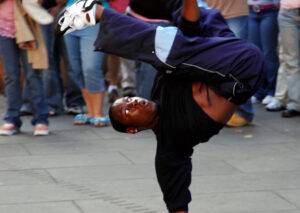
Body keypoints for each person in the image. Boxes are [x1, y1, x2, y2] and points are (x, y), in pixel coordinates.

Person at [55, 0, 265, 212]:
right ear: (132, 129)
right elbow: (175, 198)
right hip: (242, 70)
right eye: (127, 110)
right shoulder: (170, 143)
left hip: (223, 49)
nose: (133, 102)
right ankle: (96, 12)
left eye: (128, 100)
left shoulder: (160, 92)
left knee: (189, 29)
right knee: (169, 53)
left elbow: (187, 35)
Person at [0, 0, 50, 136]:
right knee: (11, 76)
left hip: (29, 28)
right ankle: (11, 119)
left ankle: (41, 119)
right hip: (4, 30)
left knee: (33, 75)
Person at [206, 0, 254, 127]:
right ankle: (221, 110)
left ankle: (244, 112)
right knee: (212, 65)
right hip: (207, 12)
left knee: (237, 63)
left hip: (234, 13)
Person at [62, 0, 109, 127]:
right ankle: (91, 112)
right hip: (70, 17)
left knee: (91, 67)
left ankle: (98, 113)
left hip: (94, 17)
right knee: (76, 69)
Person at [265, 0, 300, 117]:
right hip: (288, 12)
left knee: (290, 59)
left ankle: (288, 100)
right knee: (289, 59)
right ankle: (293, 103)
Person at [248, 0, 280, 105]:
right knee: (256, 53)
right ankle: (259, 91)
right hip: (250, 11)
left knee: (269, 53)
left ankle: (272, 90)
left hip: (269, 10)